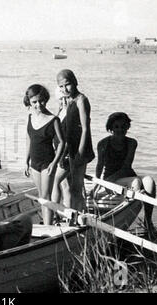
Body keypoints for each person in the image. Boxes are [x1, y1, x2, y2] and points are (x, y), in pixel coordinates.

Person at [94, 112, 157, 238]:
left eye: (123, 126)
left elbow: (126, 167)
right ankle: (135, 199)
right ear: (111, 128)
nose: (120, 129)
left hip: (126, 176)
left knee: (149, 181)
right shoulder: (103, 144)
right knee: (136, 183)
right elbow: (99, 166)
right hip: (110, 182)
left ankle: (148, 220)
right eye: (116, 127)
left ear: (128, 127)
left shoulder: (132, 143)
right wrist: (98, 185)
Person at [24, 84, 65, 225]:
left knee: (46, 196)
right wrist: (26, 160)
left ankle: (48, 226)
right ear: (29, 101)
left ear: (46, 100)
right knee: (41, 196)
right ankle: (49, 221)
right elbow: (29, 140)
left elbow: (61, 143)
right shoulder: (30, 118)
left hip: (47, 163)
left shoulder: (53, 120)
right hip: (34, 162)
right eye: (34, 102)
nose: (38, 104)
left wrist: (54, 164)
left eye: (41, 101)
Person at [57, 69, 95, 212]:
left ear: (75, 82)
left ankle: (79, 217)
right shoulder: (68, 101)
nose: (64, 89)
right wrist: (61, 108)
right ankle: (73, 214)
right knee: (67, 185)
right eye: (61, 86)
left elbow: (85, 128)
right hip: (69, 149)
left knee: (76, 188)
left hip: (80, 148)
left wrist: (80, 153)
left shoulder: (81, 100)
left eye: (67, 84)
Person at [52, 86, 72, 208]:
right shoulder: (59, 114)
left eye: (66, 98)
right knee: (66, 185)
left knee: (55, 182)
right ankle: (69, 214)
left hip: (66, 155)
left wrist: (61, 157)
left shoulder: (70, 115)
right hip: (60, 154)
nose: (64, 102)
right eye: (61, 99)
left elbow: (68, 139)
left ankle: (54, 214)